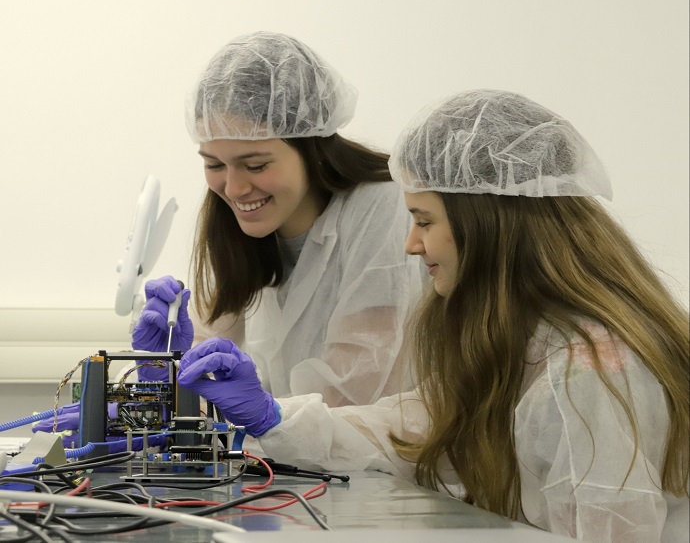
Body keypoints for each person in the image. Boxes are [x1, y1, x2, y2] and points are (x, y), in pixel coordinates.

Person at [176, 89, 689, 542]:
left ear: (486, 225)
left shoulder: (585, 369)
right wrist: (275, 418)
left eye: (423, 220)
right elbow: (408, 429)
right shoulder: (519, 338)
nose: (410, 244)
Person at [129, 30, 425, 406]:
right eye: (214, 164)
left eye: (255, 164)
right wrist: (161, 382)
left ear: (311, 144)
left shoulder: (383, 207)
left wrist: (259, 415)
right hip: (296, 457)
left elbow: (356, 389)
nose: (234, 189)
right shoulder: (239, 227)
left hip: (380, 461)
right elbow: (207, 344)